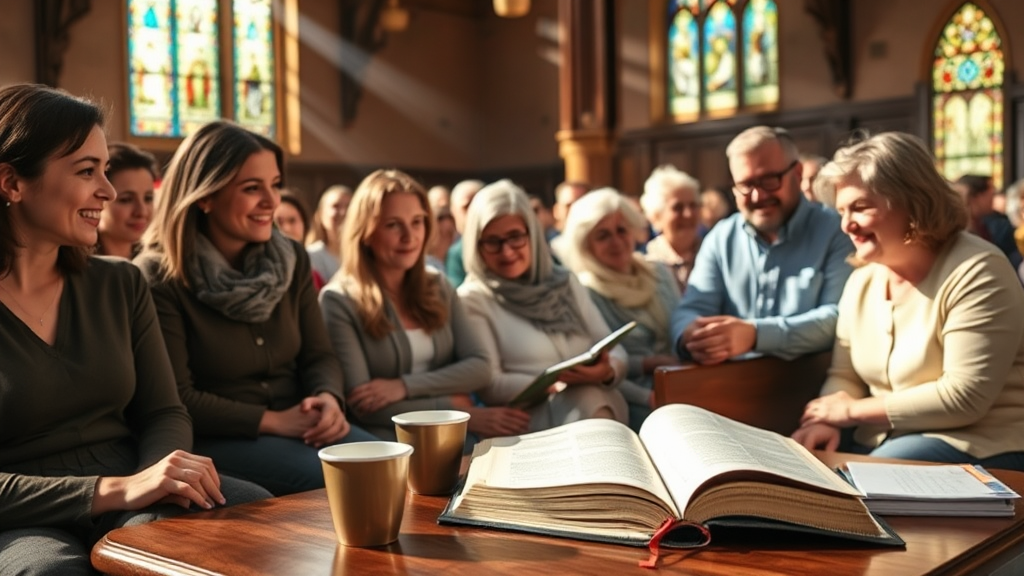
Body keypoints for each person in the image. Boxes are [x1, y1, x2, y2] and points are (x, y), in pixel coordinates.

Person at [0, 84, 269, 575]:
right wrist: (113, 490)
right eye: (86, 171)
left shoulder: (120, 282)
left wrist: (162, 477)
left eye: (105, 169)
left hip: (137, 480)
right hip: (26, 516)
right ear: (11, 183)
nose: (106, 190)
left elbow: (164, 409)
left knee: (254, 522)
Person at [136, 120, 375, 497]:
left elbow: (320, 355)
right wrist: (274, 421)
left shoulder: (291, 257)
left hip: (302, 422)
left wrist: (328, 397)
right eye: (252, 188)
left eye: (275, 185)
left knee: (396, 467)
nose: (272, 201)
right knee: (350, 485)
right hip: (220, 438)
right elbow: (177, 397)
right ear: (205, 196)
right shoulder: (157, 275)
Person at [792, 132, 1024, 470]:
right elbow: (845, 375)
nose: (846, 225)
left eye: (860, 207)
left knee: (863, 478)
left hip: (983, 446)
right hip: (886, 441)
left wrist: (849, 412)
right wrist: (823, 421)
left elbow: (964, 397)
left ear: (913, 202)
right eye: (841, 211)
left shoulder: (978, 270)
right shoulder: (862, 280)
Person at [320, 170, 528, 441]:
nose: (410, 236)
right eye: (393, 224)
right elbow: (364, 405)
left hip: (454, 433)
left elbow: (480, 367)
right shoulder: (339, 300)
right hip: (387, 441)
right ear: (366, 232)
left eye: (417, 221)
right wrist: (453, 409)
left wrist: (403, 387)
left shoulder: (437, 285)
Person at [671, 126, 853, 365]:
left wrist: (755, 335)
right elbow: (689, 310)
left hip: (814, 386)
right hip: (729, 386)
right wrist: (691, 335)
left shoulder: (837, 231)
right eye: (745, 185)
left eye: (769, 180)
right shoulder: (721, 238)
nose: (758, 196)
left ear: (797, 173)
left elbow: (839, 320)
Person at [458, 180, 628, 432]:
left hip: (598, 401)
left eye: (515, 237)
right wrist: (554, 382)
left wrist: (606, 371)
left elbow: (616, 349)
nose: (507, 252)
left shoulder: (564, 281)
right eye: (492, 241)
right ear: (476, 245)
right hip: (532, 422)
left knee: (593, 400)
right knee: (588, 401)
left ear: (533, 236)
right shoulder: (473, 298)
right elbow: (490, 383)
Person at [561, 188, 680, 430]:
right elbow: (597, 369)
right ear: (585, 244)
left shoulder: (660, 272)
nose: (616, 241)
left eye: (621, 230)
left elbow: (680, 327)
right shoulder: (583, 291)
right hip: (634, 401)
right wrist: (647, 373)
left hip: (682, 384)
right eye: (603, 235)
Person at [640, 165, 703, 293]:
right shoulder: (647, 263)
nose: (688, 214)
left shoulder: (714, 254)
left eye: (693, 205)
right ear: (656, 216)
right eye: (677, 207)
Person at [96, 142, 158, 259]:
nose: (142, 212)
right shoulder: (76, 270)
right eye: (126, 200)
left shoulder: (157, 266)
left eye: (148, 198)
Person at [955, 174, 1022, 270]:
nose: (993, 199)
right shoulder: (963, 231)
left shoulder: (985, 225)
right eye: (991, 194)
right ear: (977, 197)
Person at [306, 184, 352, 282]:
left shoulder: (365, 255)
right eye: (336, 206)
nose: (344, 212)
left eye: (349, 206)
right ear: (320, 215)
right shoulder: (311, 256)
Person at [444, 179, 485, 286]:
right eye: (467, 206)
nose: (473, 212)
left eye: (478, 205)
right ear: (453, 211)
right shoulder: (457, 253)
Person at [425, 184, 456, 274]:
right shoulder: (424, 265)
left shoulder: (461, 255)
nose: (446, 224)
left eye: (450, 217)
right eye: (440, 217)